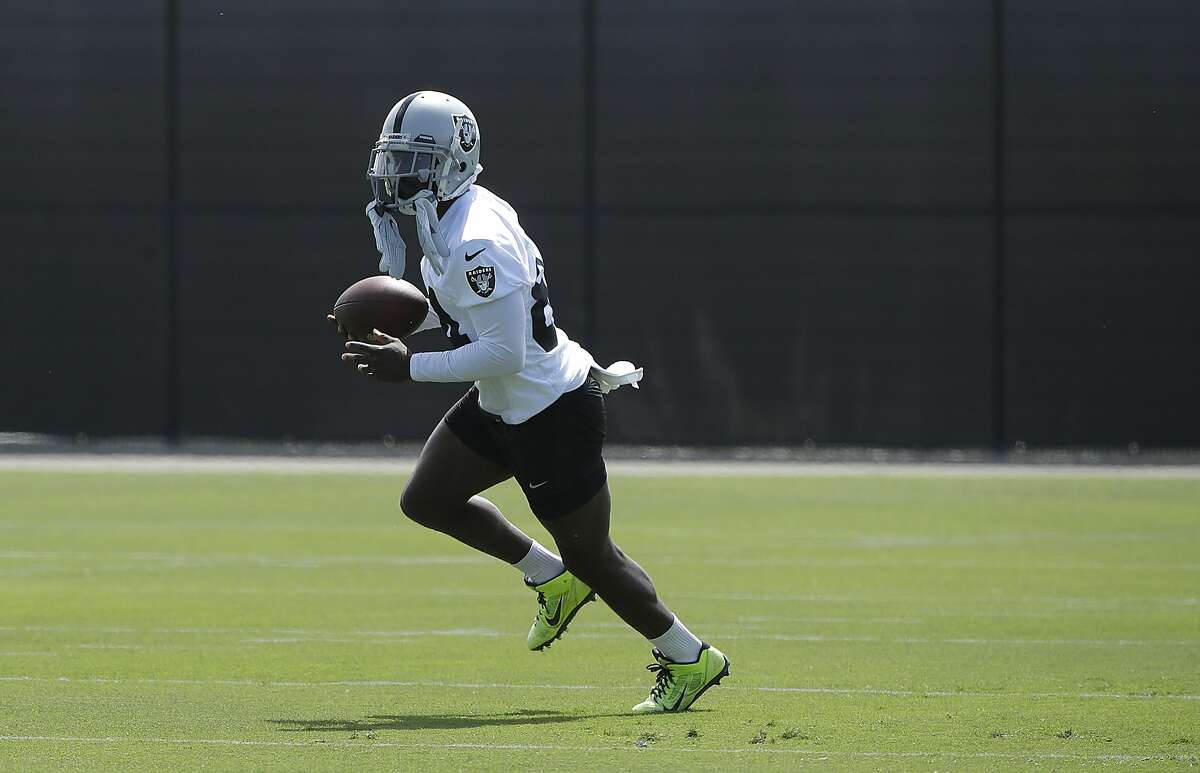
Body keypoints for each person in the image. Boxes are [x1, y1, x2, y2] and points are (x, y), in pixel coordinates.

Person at [328, 91, 729, 713]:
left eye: (414, 159)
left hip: (551, 411)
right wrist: (405, 327)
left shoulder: (473, 236)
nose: (396, 174)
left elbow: (505, 352)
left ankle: (688, 656)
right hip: (506, 403)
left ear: (455, 159)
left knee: (594, 557)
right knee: (428, 500)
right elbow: (466, 315)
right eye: (393, 158)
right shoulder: (455, 213)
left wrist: (410, 367)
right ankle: (550, 577)